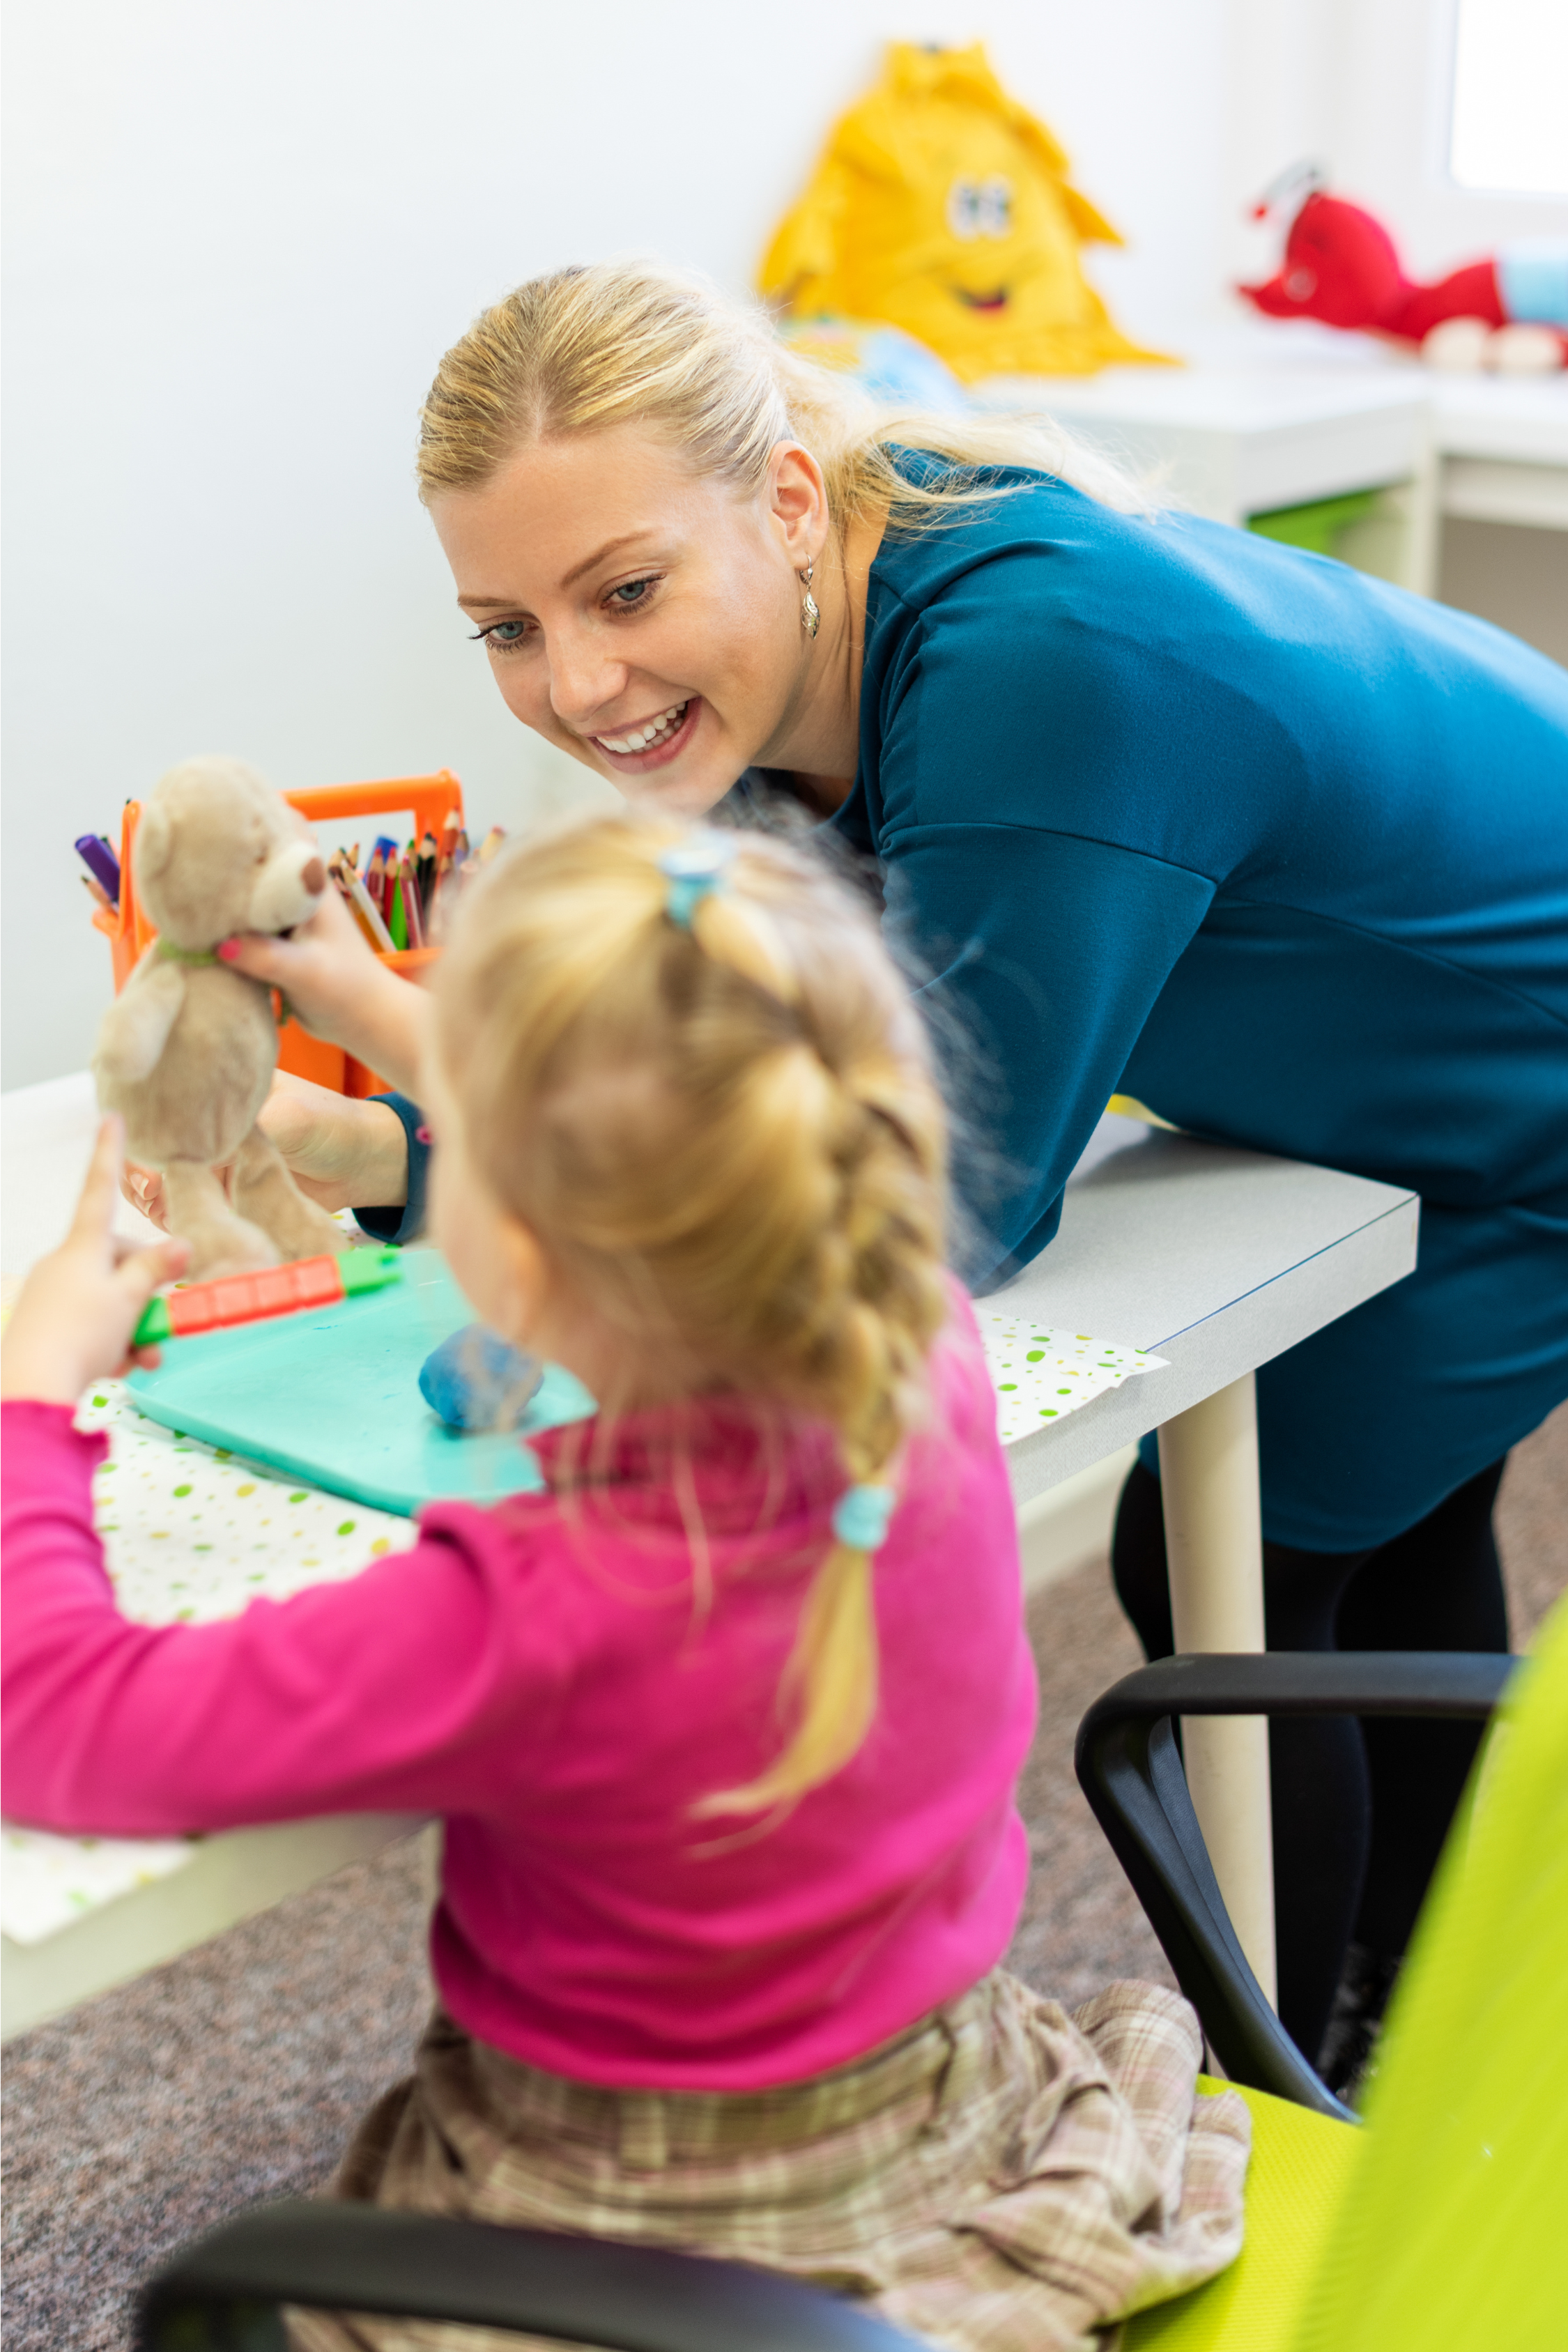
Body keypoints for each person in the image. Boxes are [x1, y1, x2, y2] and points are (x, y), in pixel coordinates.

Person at [133, 258, 1567, 2078]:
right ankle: (1449, 2028)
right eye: (505, 626)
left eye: (623, 589)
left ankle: (1318, 2092)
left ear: (787, 502)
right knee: (1378, 1518)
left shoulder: (1031, 665)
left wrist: (494, 1239)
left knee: (1232, 1556)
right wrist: (402, 1150)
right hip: (1396, 1075)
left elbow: (929, 1202)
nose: (577, 682)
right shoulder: (792, 670)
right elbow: (725, 1066)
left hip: (1525, 1093)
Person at [3, 817, 1250, 2352]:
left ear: (510, 1257)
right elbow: (627, 1147)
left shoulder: (541, 1605)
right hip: (949, 2101)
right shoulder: (915, 1337)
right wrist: (375, 1003)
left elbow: (59, 1716)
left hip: (645, 2232)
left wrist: (33, 1388)